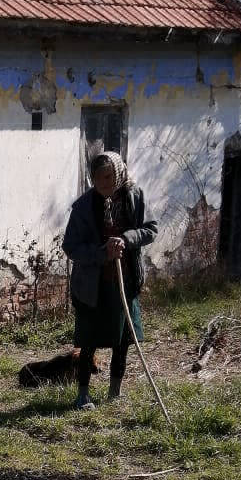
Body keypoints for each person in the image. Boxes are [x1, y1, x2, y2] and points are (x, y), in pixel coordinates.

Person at [62, 151, 158, 410]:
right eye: (97, 178)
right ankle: (83, 395)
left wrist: (126, 239)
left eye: (107, 177)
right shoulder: (83, 207)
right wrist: (102, 253)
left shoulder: (134, 197)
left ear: (118, 173)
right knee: (88, 340)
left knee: (122, 340)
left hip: (125, 281)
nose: (102, 183)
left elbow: (151, 229)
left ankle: (115, 392)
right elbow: (71, 246)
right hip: (92, 286)